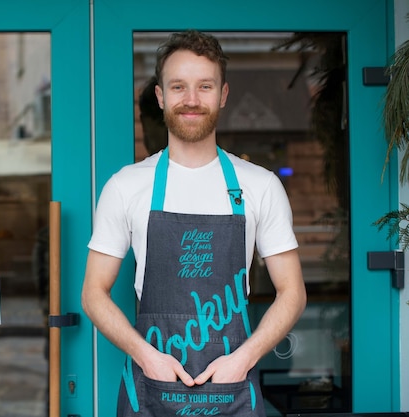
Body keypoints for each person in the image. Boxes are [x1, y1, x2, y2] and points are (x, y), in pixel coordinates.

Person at [81, 30, 306, 417]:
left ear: (222, 95)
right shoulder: (127, 186)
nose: (191, 100)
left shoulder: (260, 185)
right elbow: (93, 293)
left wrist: (245, 356)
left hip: (232, 387)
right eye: (178, 86)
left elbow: (293, 292)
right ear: (160, 96)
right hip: (152, 388)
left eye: (204, 86)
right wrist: (146, 356)